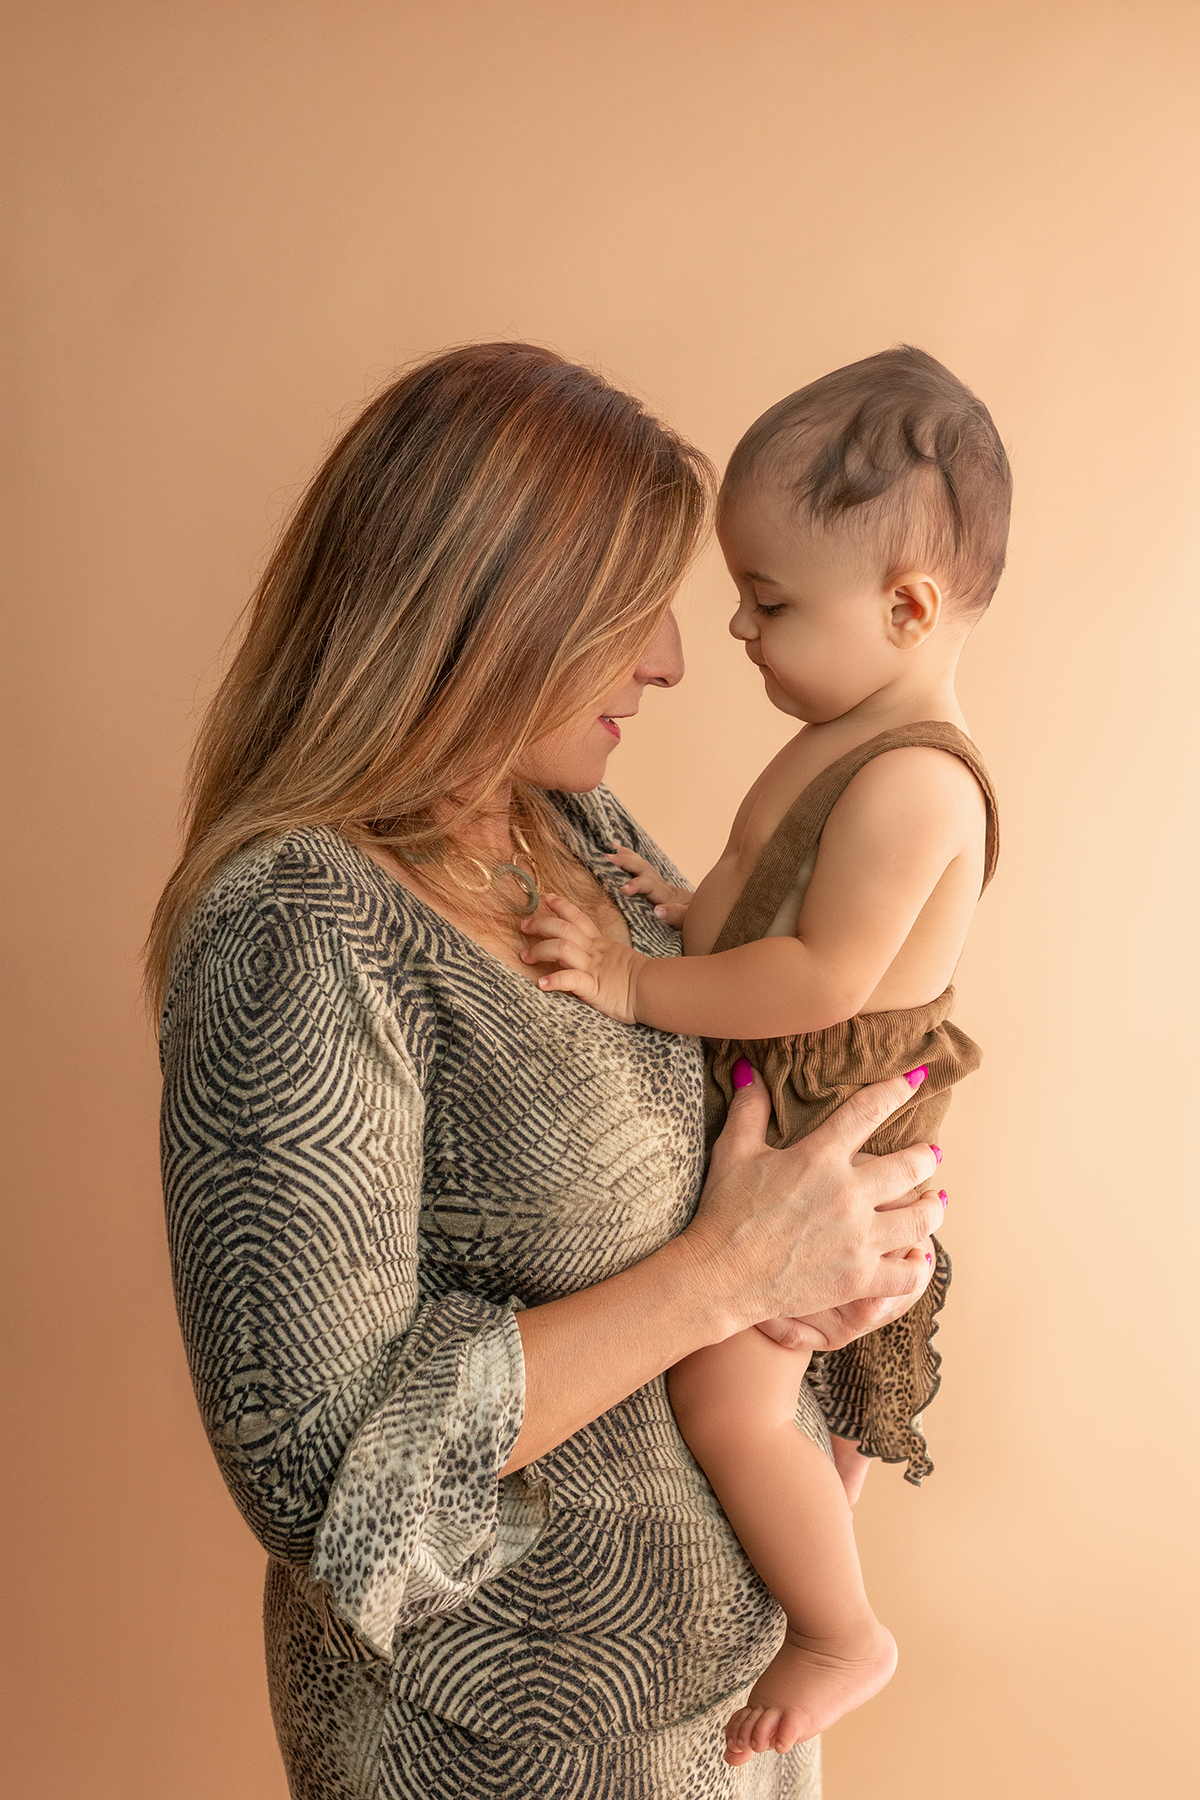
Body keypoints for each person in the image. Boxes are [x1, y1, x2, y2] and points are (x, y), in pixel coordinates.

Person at [147, 342, 949, 1800]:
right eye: (630, 612)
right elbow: (330, 1485)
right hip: (497, 1758)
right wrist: (728, 1274)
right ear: (489, 613)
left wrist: (851, 1258)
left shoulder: (562, 831)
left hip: (724, 1738)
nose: (676, 659)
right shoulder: (296, 926)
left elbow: (750, 1122)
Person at [523, 348, 1008, 1764]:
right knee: (789, 1396)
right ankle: (815, 1564)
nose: (729, 630)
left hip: (824, 1112)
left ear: (908, 606)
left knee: (729, 1392)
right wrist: (690, 913)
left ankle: (841, 1624)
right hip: (797, 1095)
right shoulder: (852, 730)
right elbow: (759, 887)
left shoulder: (917, 778)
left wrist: (629, 976)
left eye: (772, 601)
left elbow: (815, 976)